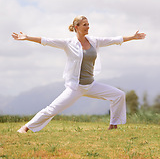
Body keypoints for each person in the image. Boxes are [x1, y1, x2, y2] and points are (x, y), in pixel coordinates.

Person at [12, 15, 146, 133]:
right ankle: (25, 127)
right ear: (76, 27)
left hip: (90, 85)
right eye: (85, 24)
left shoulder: (94, 41)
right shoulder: (68, 43)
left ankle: (113, 125)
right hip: (75, 87)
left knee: (119, 95)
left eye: (88, 24)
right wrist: (27, 37)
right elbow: (46, 40)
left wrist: (133, 37)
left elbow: (114, 40)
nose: (88, 26)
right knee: (52, 109)